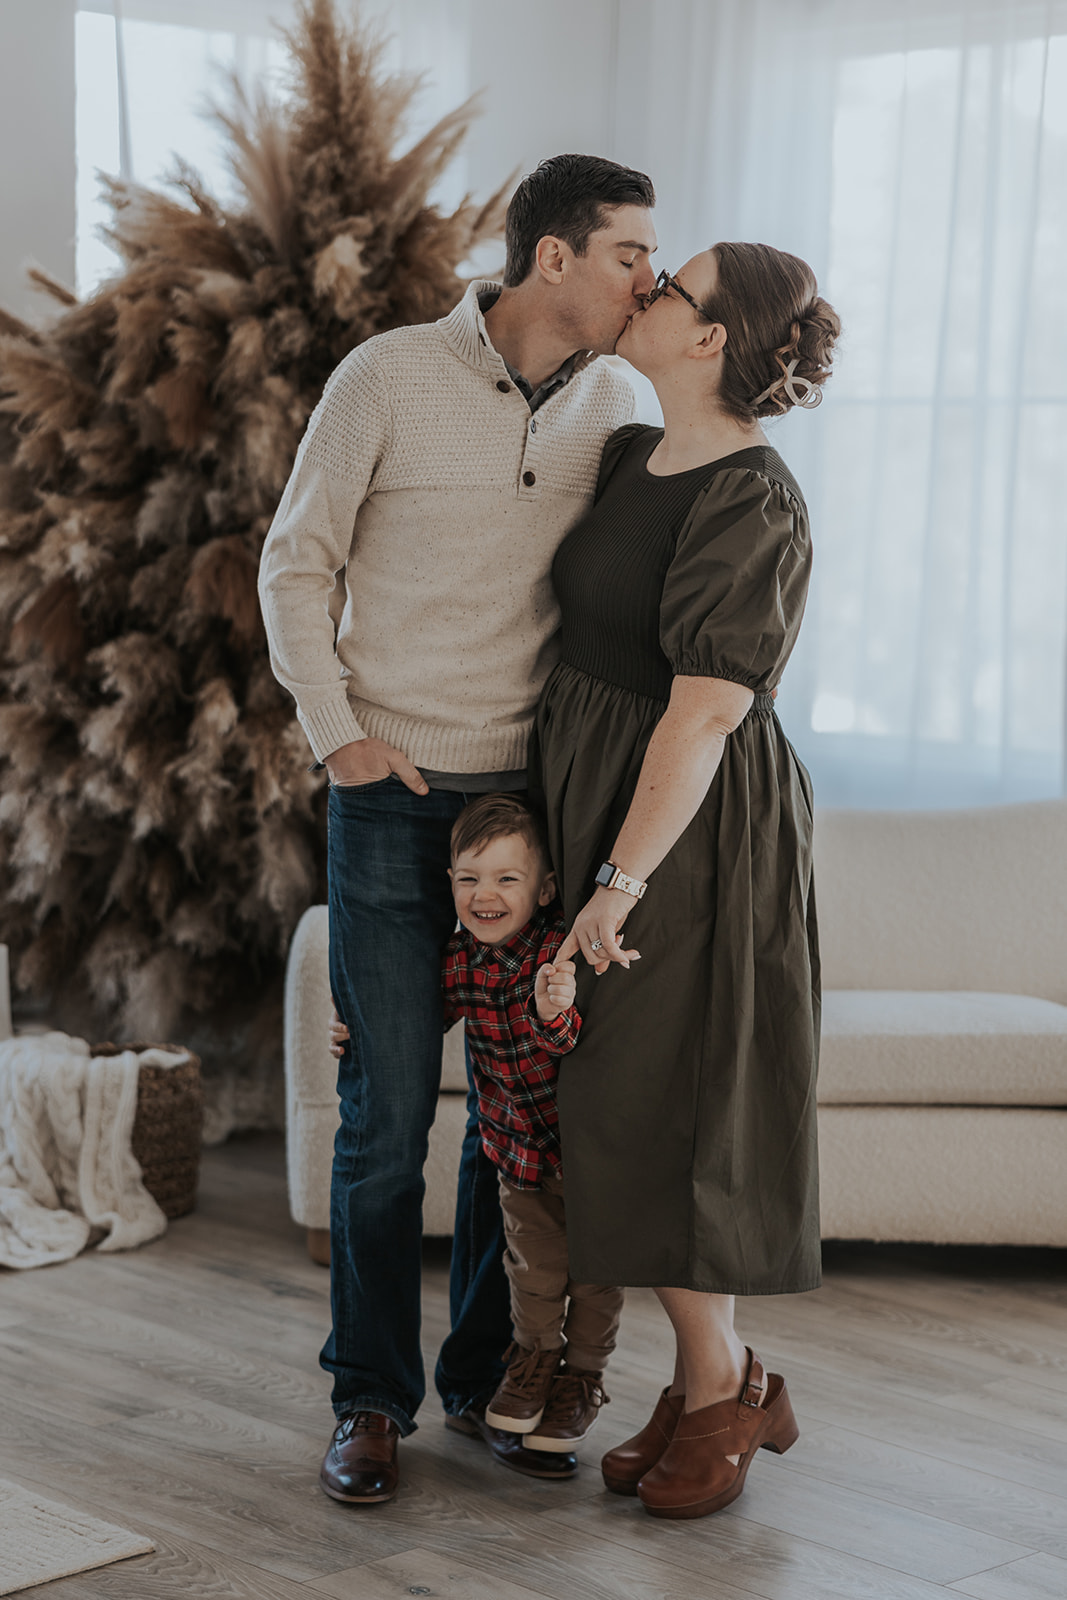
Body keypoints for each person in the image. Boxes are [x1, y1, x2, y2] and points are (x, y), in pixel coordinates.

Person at [258, 153, 656, 1504]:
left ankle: (490, 1377)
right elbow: (294, 559)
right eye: (624, 254)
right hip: (388, 797)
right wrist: (337, 735)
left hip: (529, 807)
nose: (642, 278)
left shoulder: (624, 400)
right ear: (551, 257)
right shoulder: (383, 376)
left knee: (511, 1117)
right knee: (380, 1123)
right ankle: (365, 1398)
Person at [530, 241, 840, 1519]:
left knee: (667, 1103)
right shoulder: (624, 453)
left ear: (709, 339)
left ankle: (719, 1385)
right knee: (621, 1102)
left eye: (670, 288)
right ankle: (714, 1378)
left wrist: (611, 886)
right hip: (610, 805)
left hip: (690, 837)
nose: (646, 293)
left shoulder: (751, 498)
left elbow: (703, 717)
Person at [330, 792, 623, 1459]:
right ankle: (529, 1369)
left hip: (581, 1159)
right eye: (468, 880)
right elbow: (417, 1019)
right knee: (534, 1276)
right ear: (449, 885)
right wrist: (357, 1026)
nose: (483, 895)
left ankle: (580, 1379)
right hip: (518, 1157)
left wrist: (554, 1009)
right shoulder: (458, 961)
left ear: (544, 888)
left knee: (596, 1280)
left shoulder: (557, 954)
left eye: (505, 879)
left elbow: (576, 1039)